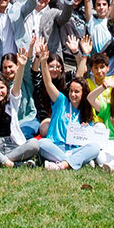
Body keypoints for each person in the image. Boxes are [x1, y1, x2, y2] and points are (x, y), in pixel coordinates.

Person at [36, 38, 102, 170]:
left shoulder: (85, 111)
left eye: (77, 92)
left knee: (94, 148)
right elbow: (48, 82)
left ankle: (62, 163)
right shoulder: (61, 101)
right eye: (71, 91)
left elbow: (80, 75)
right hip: (55, 146)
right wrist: (43, 61)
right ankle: (73, 162)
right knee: (42, 143)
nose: (73, 94)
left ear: (83, 93)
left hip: (75, 148)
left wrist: (86, 129)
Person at [0, 46, 41, 168]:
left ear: (7, 89)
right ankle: (15, 163)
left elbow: (18, 84)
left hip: (13, 146)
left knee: (34, 144)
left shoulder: (12, 101)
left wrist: (20, 66)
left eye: (2, 88)